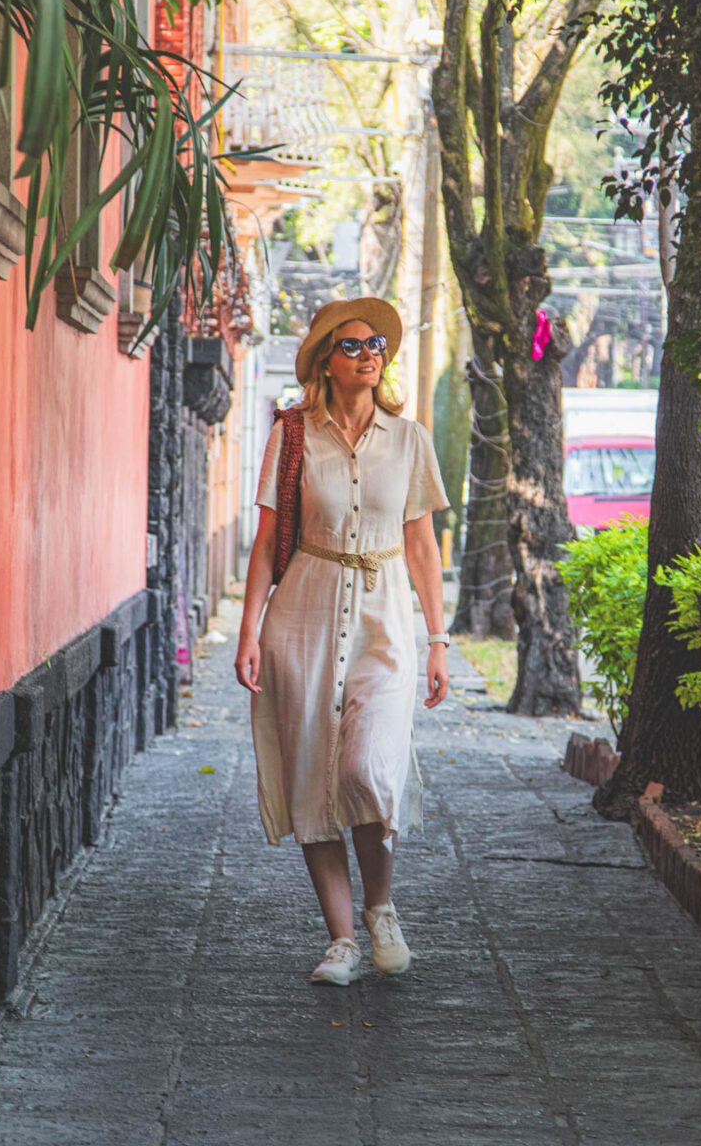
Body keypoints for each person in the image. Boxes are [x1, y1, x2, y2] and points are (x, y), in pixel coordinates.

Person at [235, 297, 450, 986]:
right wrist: (247, 632)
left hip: (383, 620)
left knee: (366, 770)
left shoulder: (409, 438)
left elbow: (421, 547)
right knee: (312, 777)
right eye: (353, 344)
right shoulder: (292, 435)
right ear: (324, 359)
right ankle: (341, 940)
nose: (369, 353)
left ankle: (380, 906)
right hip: (302, 615)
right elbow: (269, 543)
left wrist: (438, 639)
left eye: (377, 343)